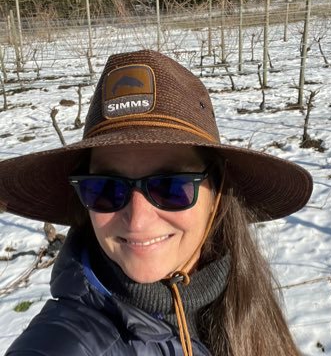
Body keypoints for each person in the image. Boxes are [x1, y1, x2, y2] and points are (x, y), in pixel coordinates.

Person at [0, 50, 313, 356]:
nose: (138, 221)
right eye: (105, 188)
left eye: (170, 186)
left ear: (217, 190)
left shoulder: (242, 297)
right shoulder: (65, 344)